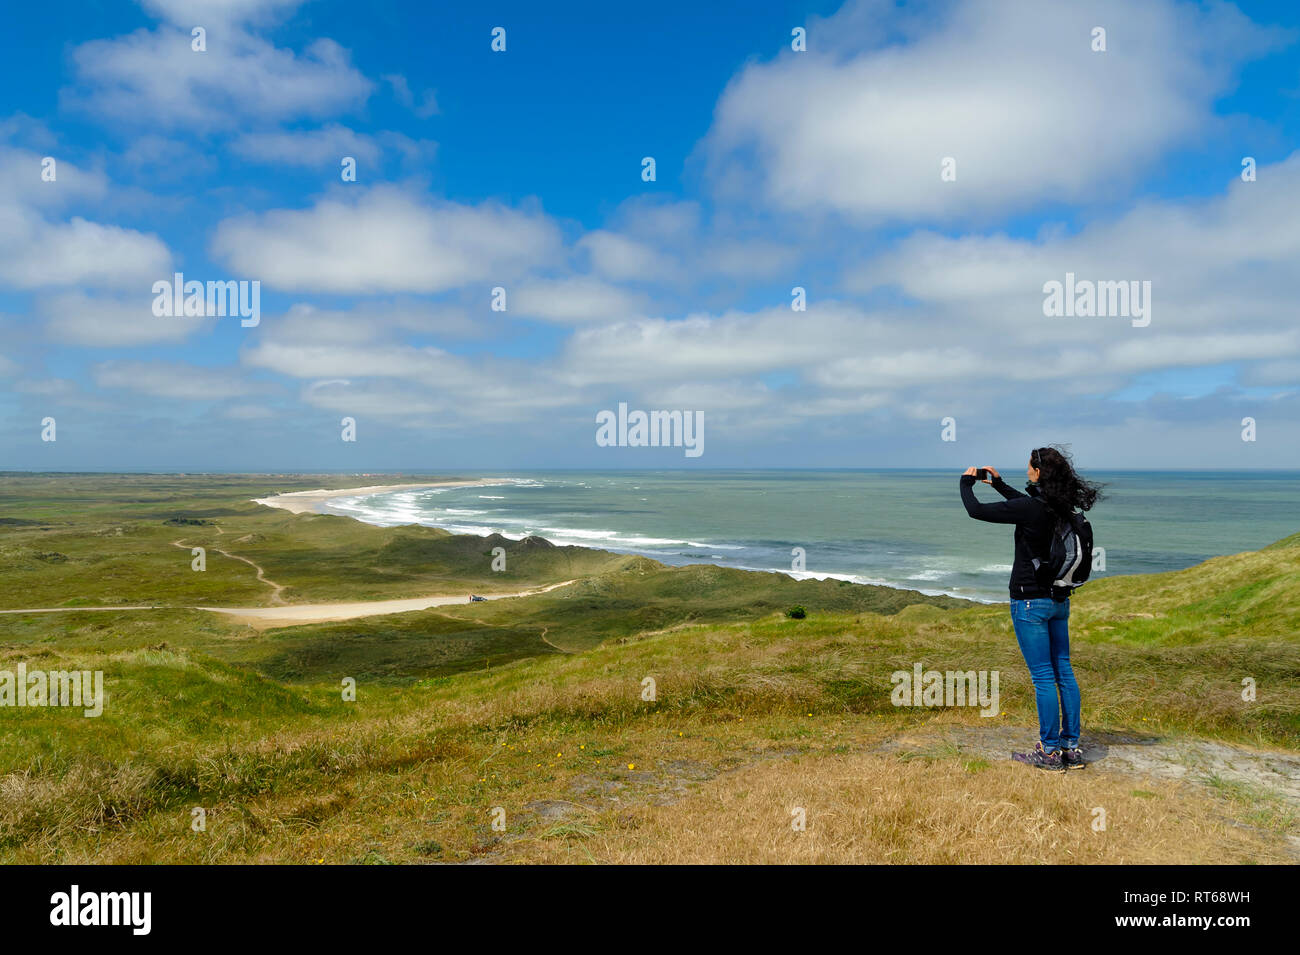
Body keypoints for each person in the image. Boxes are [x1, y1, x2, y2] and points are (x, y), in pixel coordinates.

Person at [959, 447, 1103, 772]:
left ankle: (1049, 752)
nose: (1026, 471)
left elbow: (976, 511)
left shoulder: (1031, 508)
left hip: (1029, 602)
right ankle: (1070, 748)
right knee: (1063, 672)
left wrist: (965, 484)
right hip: (1058, 600)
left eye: (1029, 467)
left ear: (1038, 472)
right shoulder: (1062, 507)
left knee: (1042, 677)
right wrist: (998, 483)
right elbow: (1023, 504)